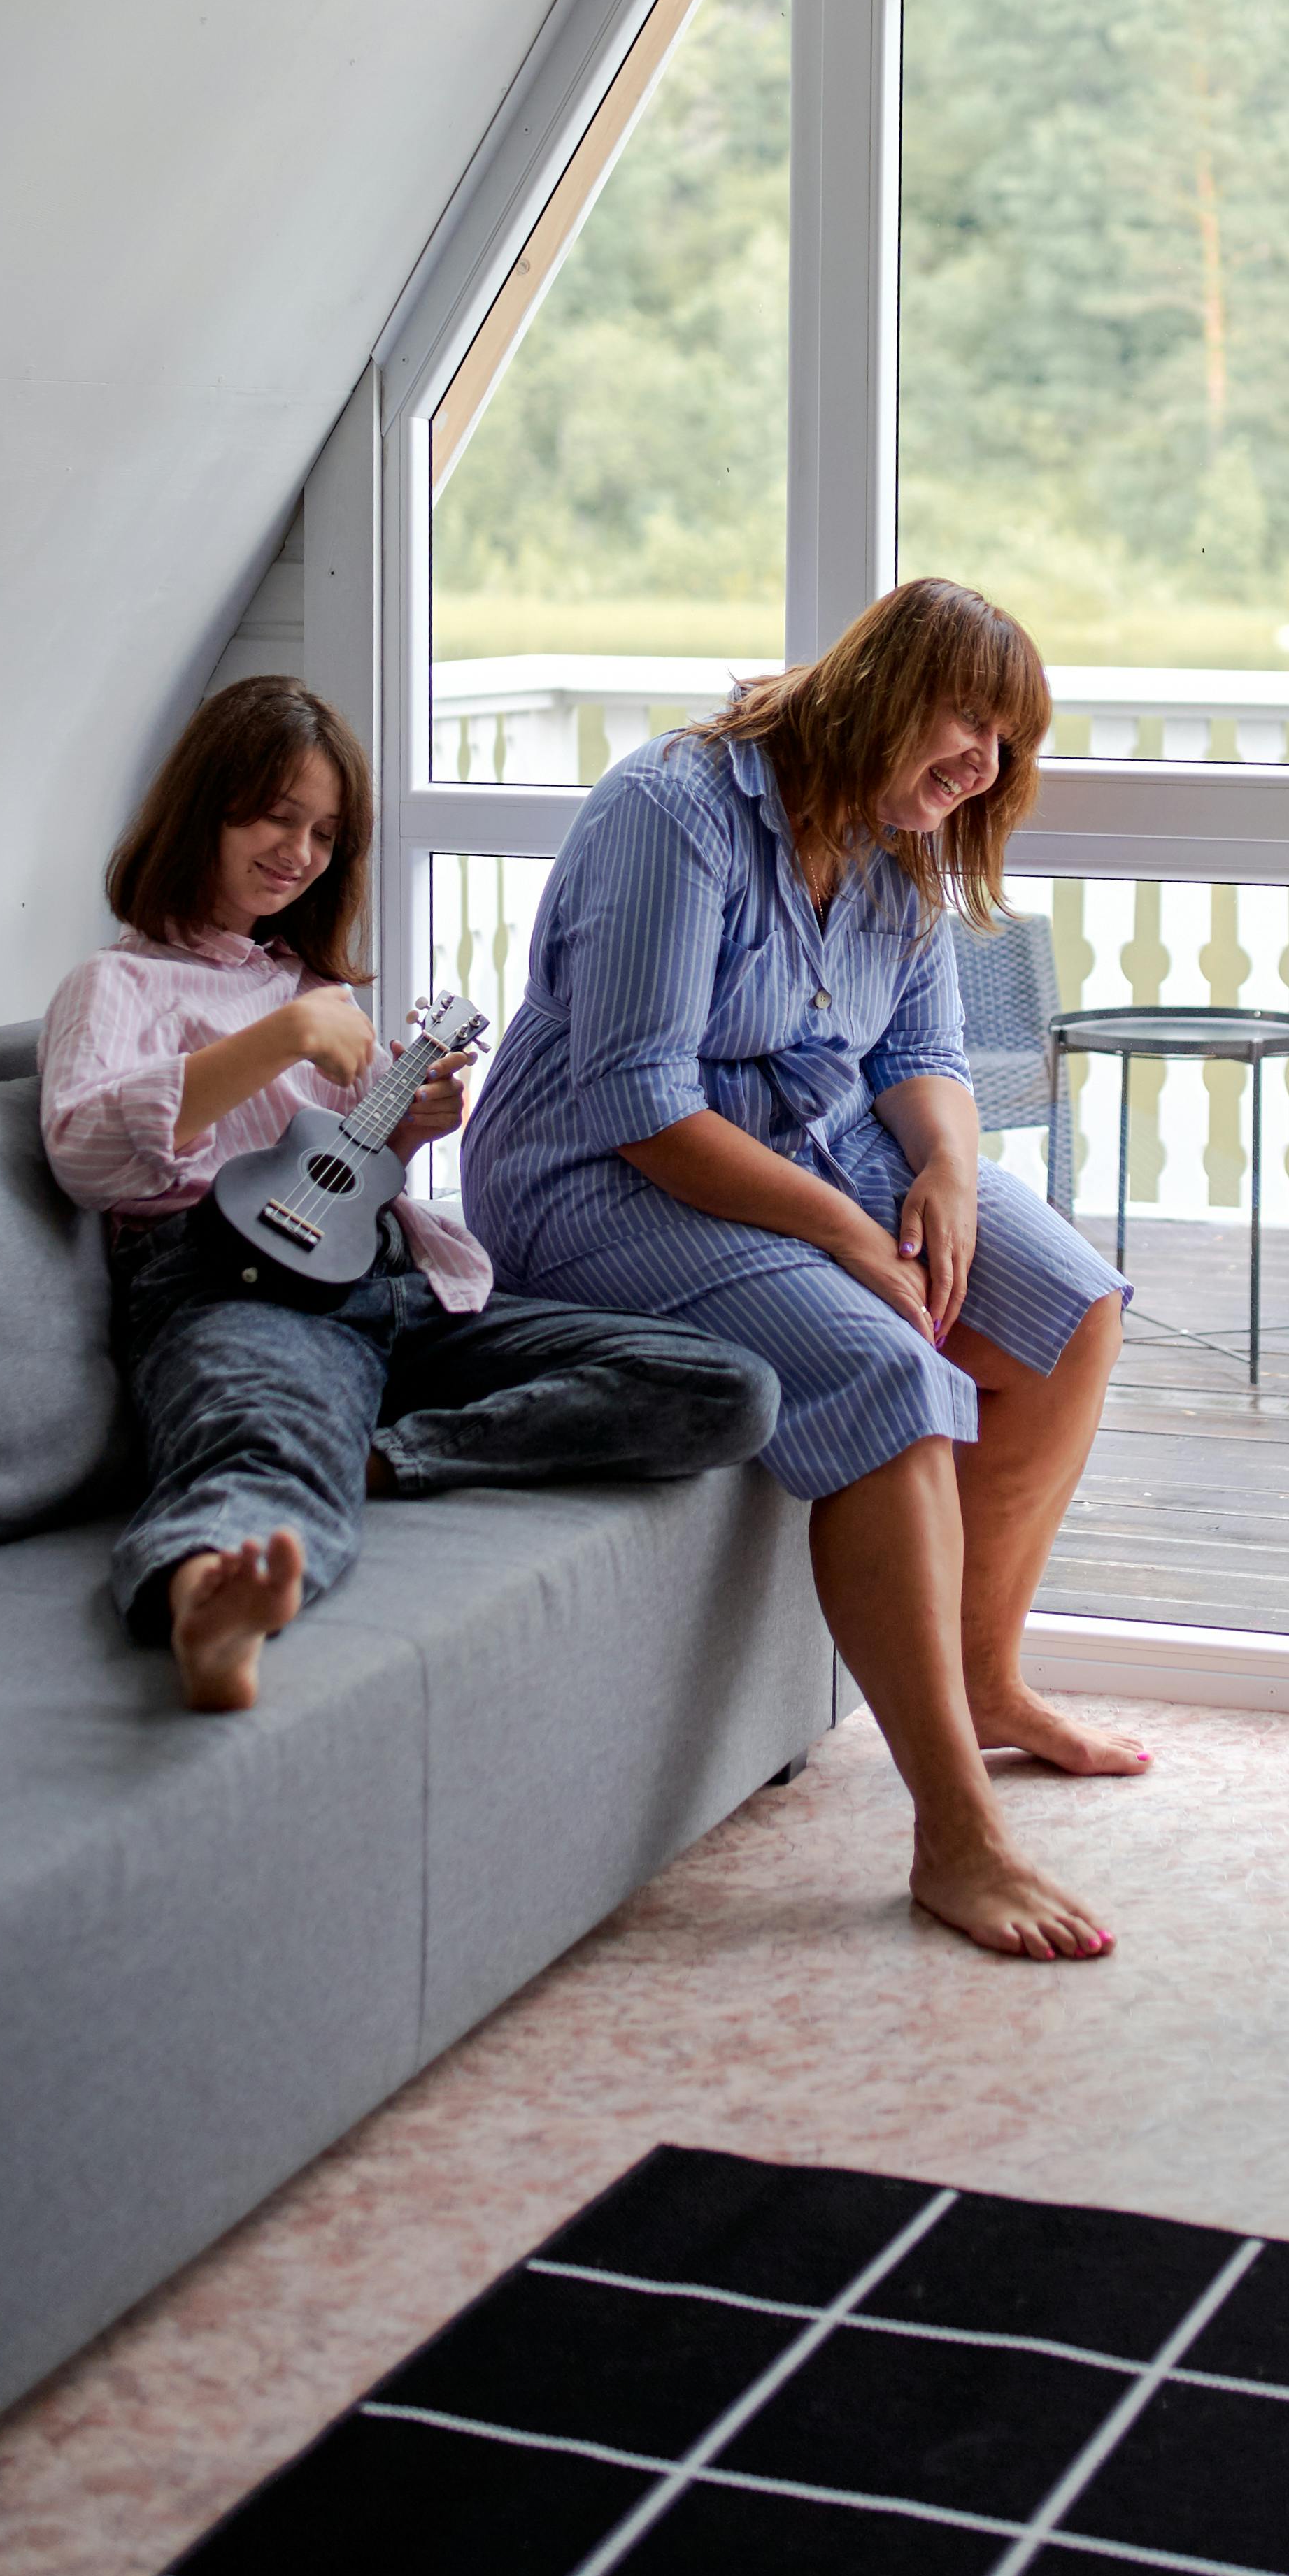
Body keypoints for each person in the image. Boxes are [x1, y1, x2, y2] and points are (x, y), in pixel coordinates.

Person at [461, 580, 1137, 1965]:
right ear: (880, 692)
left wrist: (947, 1169)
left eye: (1008, 742)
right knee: (889, 1366)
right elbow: (642, 1099)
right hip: (600, 1176)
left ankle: (987, 1677)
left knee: (1072, 1309)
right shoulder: (674, 809)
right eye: (967, 721)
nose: (983, 765)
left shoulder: (904, 838)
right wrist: (844, 1235)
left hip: (813, 1149)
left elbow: (923, 1059)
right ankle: (954, 1832)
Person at [40, 678, 780, 1714]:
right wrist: (284, 1039)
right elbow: (85, 1153)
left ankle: (388, 1456)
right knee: (263, 1443)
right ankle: (209, 1599)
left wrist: (404, 1121)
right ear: (201, 804)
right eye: (274, 814)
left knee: (728, 1387)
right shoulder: (115, 987)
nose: (299, 850)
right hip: (230, 1287)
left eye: (325, 832)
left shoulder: (306, 988)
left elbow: (334, 1164)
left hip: (387, 1287)